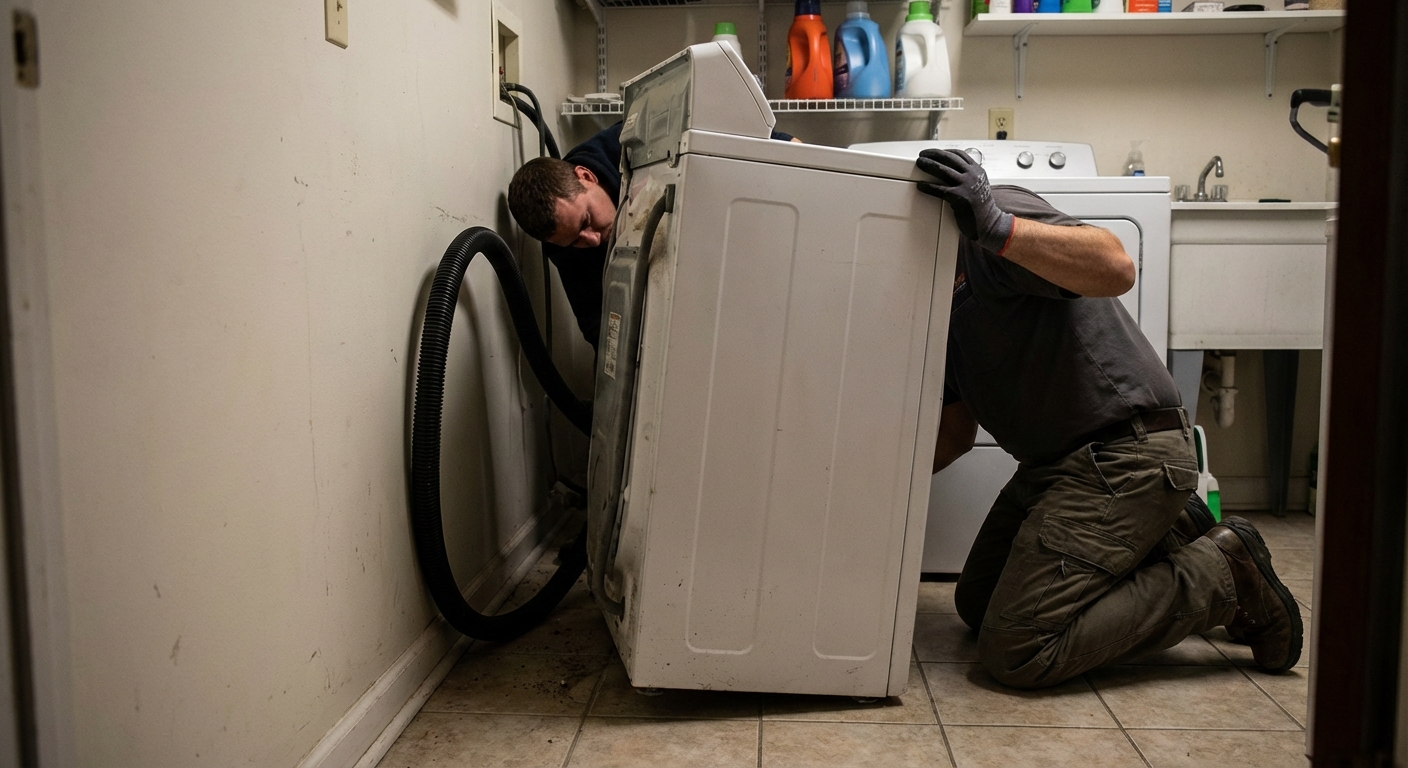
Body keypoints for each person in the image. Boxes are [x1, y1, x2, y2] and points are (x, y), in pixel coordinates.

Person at [915, 148, 1301, 689]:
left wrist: (998, 226)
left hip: (1124, 453)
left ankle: (1224, 576)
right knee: (979, 602)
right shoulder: (927, 301)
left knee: (1019, 647)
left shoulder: (980, 223)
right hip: (1054, 471)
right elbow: (954, 435)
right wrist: (864, 494)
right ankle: (1172, 531)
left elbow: (1115, 265)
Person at [507, 122, 792, 348]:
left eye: (587, 221)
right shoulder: (564, 245)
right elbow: (599, 323)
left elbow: (723, 137)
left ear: (587, 176)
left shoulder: (633, 140)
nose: (591, 240)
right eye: (576, 241)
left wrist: (784, 144)